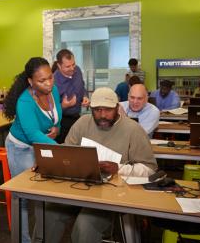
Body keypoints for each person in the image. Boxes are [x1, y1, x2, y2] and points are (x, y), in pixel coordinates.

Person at [45, 87, 157, 243]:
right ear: (90, 109)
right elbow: (67, 151)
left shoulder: (133, 130)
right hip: (79, 186)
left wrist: (119, 168)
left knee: (85, 226)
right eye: (97, 110)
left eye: (108, 110)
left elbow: (150, 170)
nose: (102, 115)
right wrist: (49, 161)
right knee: (49, 213)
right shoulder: (83, 123)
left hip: (111, 194)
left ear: (117, 108)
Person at [3, 57, 62, 243]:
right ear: (30, 81)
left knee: (43, 194)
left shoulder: (54, 90)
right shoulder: (25, 101)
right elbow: (31, 133)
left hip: (41, 146)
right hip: (20, 147)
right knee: (22, 198)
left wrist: (57, 128)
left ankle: (40, 237)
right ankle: (23, 240)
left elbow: (57, 116)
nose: (48, 83)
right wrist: (59, 151)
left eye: (50, 78)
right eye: (42, 80)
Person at [53, 49, 89, 143]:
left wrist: (85, 96)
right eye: (68, 66)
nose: (72, 68)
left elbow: (82, 86)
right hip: (62, 122)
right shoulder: (53, 82)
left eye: (73, 64)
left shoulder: (77, 70)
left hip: (77, 118)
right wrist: (63, 106)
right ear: (59, 66)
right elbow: (50, 111)